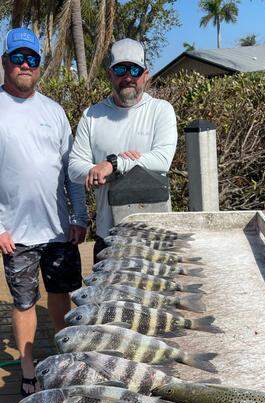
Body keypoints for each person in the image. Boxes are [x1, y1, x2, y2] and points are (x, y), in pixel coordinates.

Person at [0, 27, 88, 397]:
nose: (24, 65)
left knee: (62, 295)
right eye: (17, 58)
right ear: (5, 62)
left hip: (59, 229)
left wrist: (79, 217)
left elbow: (71, 170)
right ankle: (29, 367)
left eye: (31, 59)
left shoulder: (54, 110)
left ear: (39, 65)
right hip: (13, 235)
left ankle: (67, 359)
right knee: (23, 302)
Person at [68, 38, 178, 260]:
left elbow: (162, 160)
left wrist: (115, 164)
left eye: (135, 70)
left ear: (145, 74)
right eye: (120, 69)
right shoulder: (91, 115)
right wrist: (97, 172)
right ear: (110, 74)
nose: (127, 77)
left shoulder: (161, 110)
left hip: (154, 237)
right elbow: (74, 168)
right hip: (107, 237)